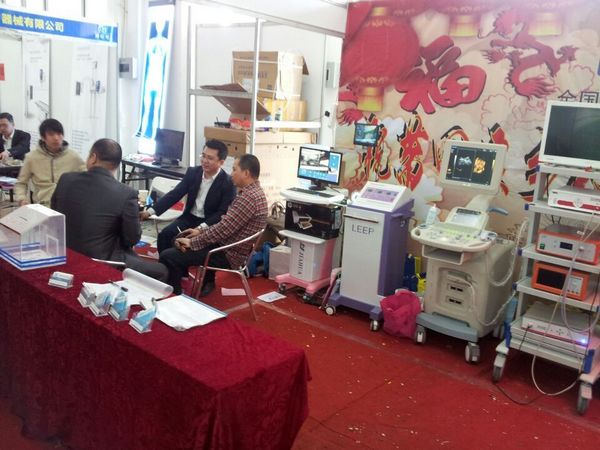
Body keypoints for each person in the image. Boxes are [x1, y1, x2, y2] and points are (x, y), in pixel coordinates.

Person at [51, 138, 169, 282]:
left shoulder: (66, 179)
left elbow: (54, 215)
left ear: (93, 158)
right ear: (117, 165)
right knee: (162, 271)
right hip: (102, 262)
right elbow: (132, 238)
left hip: (64, 254)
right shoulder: (126, 193)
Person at [160, 154, 268, 295]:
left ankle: (175, 296)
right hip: (226, 245)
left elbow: (224, 229)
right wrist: (200, 232)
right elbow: (225, 224)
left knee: (168, 256)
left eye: (234, 169)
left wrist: (193, 242)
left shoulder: (249, 198)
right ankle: (183, 283)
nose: (231, 173)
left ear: (246, 173)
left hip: (227, 253)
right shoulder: (253, 193)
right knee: (177, 239)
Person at [140, 139, 236, 253]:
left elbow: (222, 213)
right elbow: (175, 194)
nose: (204, 161)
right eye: (203, 156)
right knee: (165, 235)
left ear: (221, 162)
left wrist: (201, 228)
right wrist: (149, 212)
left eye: (210, 158)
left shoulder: (228, 183)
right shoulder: (193, 172)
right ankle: (164, 263)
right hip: (189, 218)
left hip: (209, 224)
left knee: (185, 247)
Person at [14, 118, 86, 206]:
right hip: (43, 205)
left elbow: (88, 178)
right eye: (51, 134)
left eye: (59, 134)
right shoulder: (31, 157)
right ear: (43, 137)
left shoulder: (73, 156)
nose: (56, 138)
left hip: (68, 205)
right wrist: (22, 199)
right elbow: (21, 183)